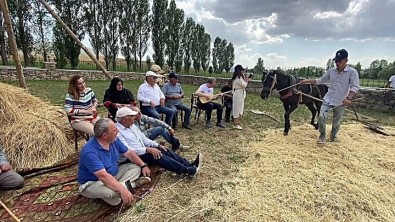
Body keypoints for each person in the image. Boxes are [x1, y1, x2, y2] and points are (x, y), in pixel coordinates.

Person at [77, 118, 151, 206]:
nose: (118, 132)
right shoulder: (89, 152)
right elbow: (103, 176)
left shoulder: (114, 140)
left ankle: (121, 186)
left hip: (113, 174)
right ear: (105, 135)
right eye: (114, 130)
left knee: (136, 167)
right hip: (93, 182)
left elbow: (129, 154)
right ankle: (132, 184)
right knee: (113, 196)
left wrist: (143, 165)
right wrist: (122, 190)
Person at [115, 107, 202, 177]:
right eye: (131, 116)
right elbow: (127, 151)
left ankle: (189, 164)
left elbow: (144, 139)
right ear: (124, 119)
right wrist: (147, 150)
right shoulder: (117, 132)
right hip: (131, 158)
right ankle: (186, 170)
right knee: (156, 155)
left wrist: (157, 145)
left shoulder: (131, 125)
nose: (134, 117)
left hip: (142, 151)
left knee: (163, 149)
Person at [300, 49, 360, 144]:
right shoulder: (331, 71)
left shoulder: (352, 72)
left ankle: (333, 136)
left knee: (336, 121)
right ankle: (322, 135)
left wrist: (349, 98)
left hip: (341, 101)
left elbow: (355, 86)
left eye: (340, 61)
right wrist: (307, 81)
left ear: (346, 61)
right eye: (336, 60)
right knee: (321, 117)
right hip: (328, 98)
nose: (337, 63)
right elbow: (321, 80)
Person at [232, 65, 249, 130]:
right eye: (242, 70)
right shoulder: (237, 78)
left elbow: (244, 83)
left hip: (240, 93)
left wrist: (245, 77)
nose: (243, 72)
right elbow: (244, 85)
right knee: (237, 108)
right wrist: (247, 78)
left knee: (240, 108)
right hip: (238, 94)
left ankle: (237, 122)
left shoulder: (239, 77)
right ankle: (235, 124)